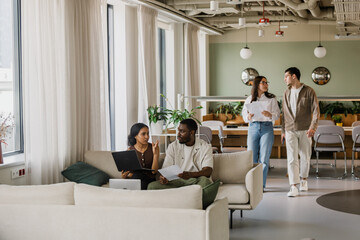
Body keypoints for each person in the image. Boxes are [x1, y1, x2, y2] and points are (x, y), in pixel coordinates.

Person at [281, 67, 319, 197]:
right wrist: (282, 130)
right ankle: (293, 186)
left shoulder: (309, 91)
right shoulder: (286, 93)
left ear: (294, 76)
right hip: (290, 129)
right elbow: (284, 114)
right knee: (291, 158)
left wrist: (313, 127)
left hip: (305, 129)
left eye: (286, 76)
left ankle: (304, 180)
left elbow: (315, 111)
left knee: (305, 157)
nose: (284, 79)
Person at [147, 118, 213, 190]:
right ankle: (190, 194)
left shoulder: (205, 146)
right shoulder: (173, 146)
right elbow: (166, 169)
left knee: (205, 181)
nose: (178, 134)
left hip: (196, 180)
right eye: (179, 130)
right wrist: (164, 178)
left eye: (182, 131)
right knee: (152, 186)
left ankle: (188, 194)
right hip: (177, 181)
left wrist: (190, 175)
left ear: (192, 132)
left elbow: (208, 171)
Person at [242, 76, 280, 190]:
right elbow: (244, 117)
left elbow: (277, 115)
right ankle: (251, 184)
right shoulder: (249, 99)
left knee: (264, 158)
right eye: (263, 82)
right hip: (253, 127)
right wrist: (248, 116)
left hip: (266, 128)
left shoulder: (272, 99)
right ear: (257, 84)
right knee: (251, 158)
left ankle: (261, 186)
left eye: (266, 82)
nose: (266, 84)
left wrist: (270, 115)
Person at [124, 123, 159, 190]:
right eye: (143, 134)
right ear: (135, 136)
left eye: (148, 133)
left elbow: (154, 172)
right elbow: (129, 173)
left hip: (149, 179)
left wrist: (155, 155)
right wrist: (124, 176)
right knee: (137, 176)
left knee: (139, 178)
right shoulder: (129, 150)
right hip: (136, 179)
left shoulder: (153, 148)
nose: (147, 137)